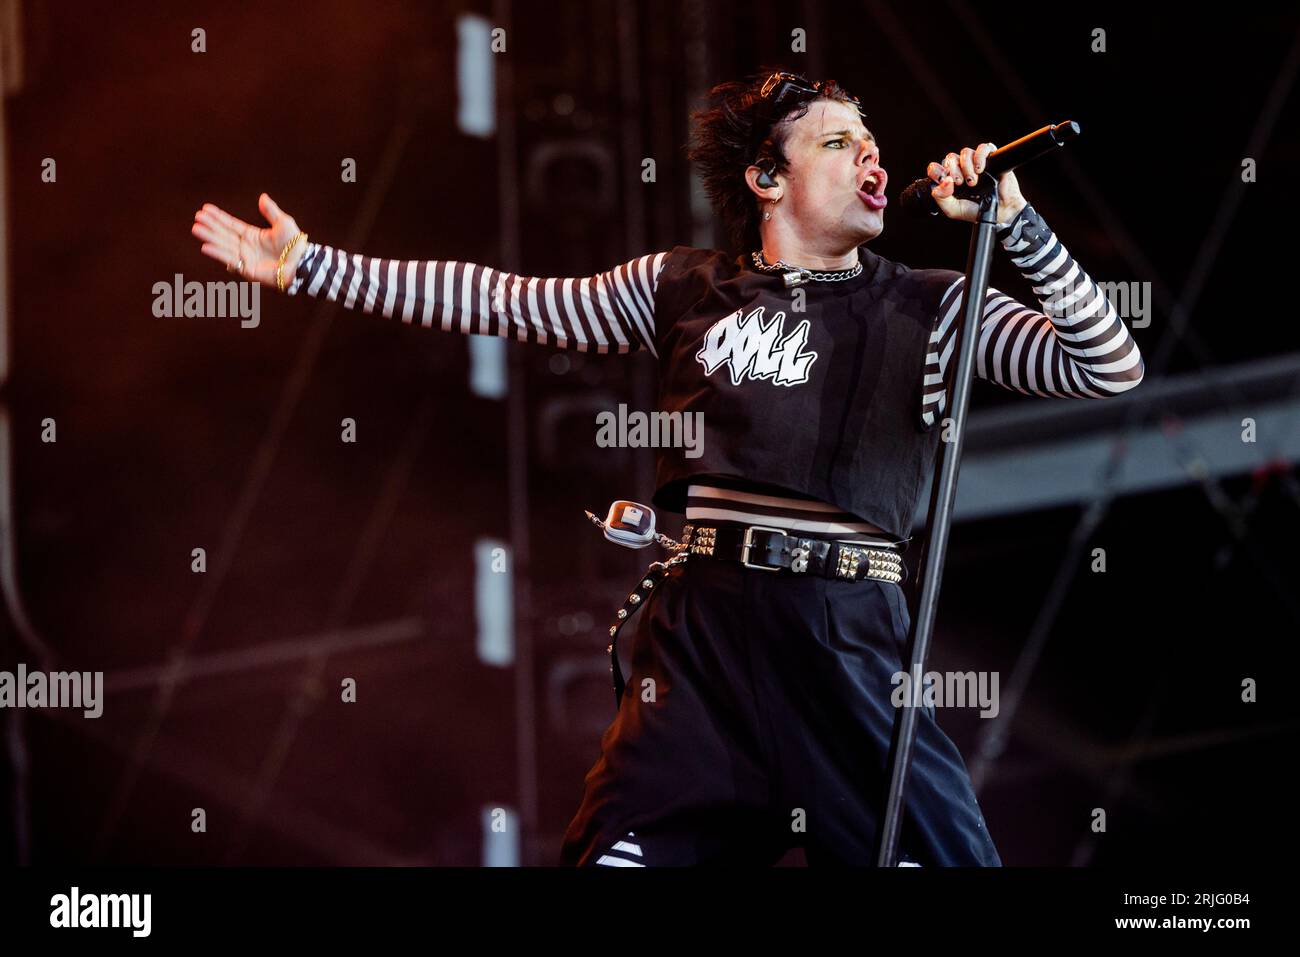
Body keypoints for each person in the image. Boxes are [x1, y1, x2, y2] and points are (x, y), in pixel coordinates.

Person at [190, 69, 1144, 867]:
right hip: (703, 640)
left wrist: (1015, 228)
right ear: (768, 178)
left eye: (872, 142)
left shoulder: (927, 308)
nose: (873, 158)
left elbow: (1109, 366)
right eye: (839, 142)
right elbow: (507, 300)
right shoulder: (684, 288)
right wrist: (314, 267)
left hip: (845, 642)